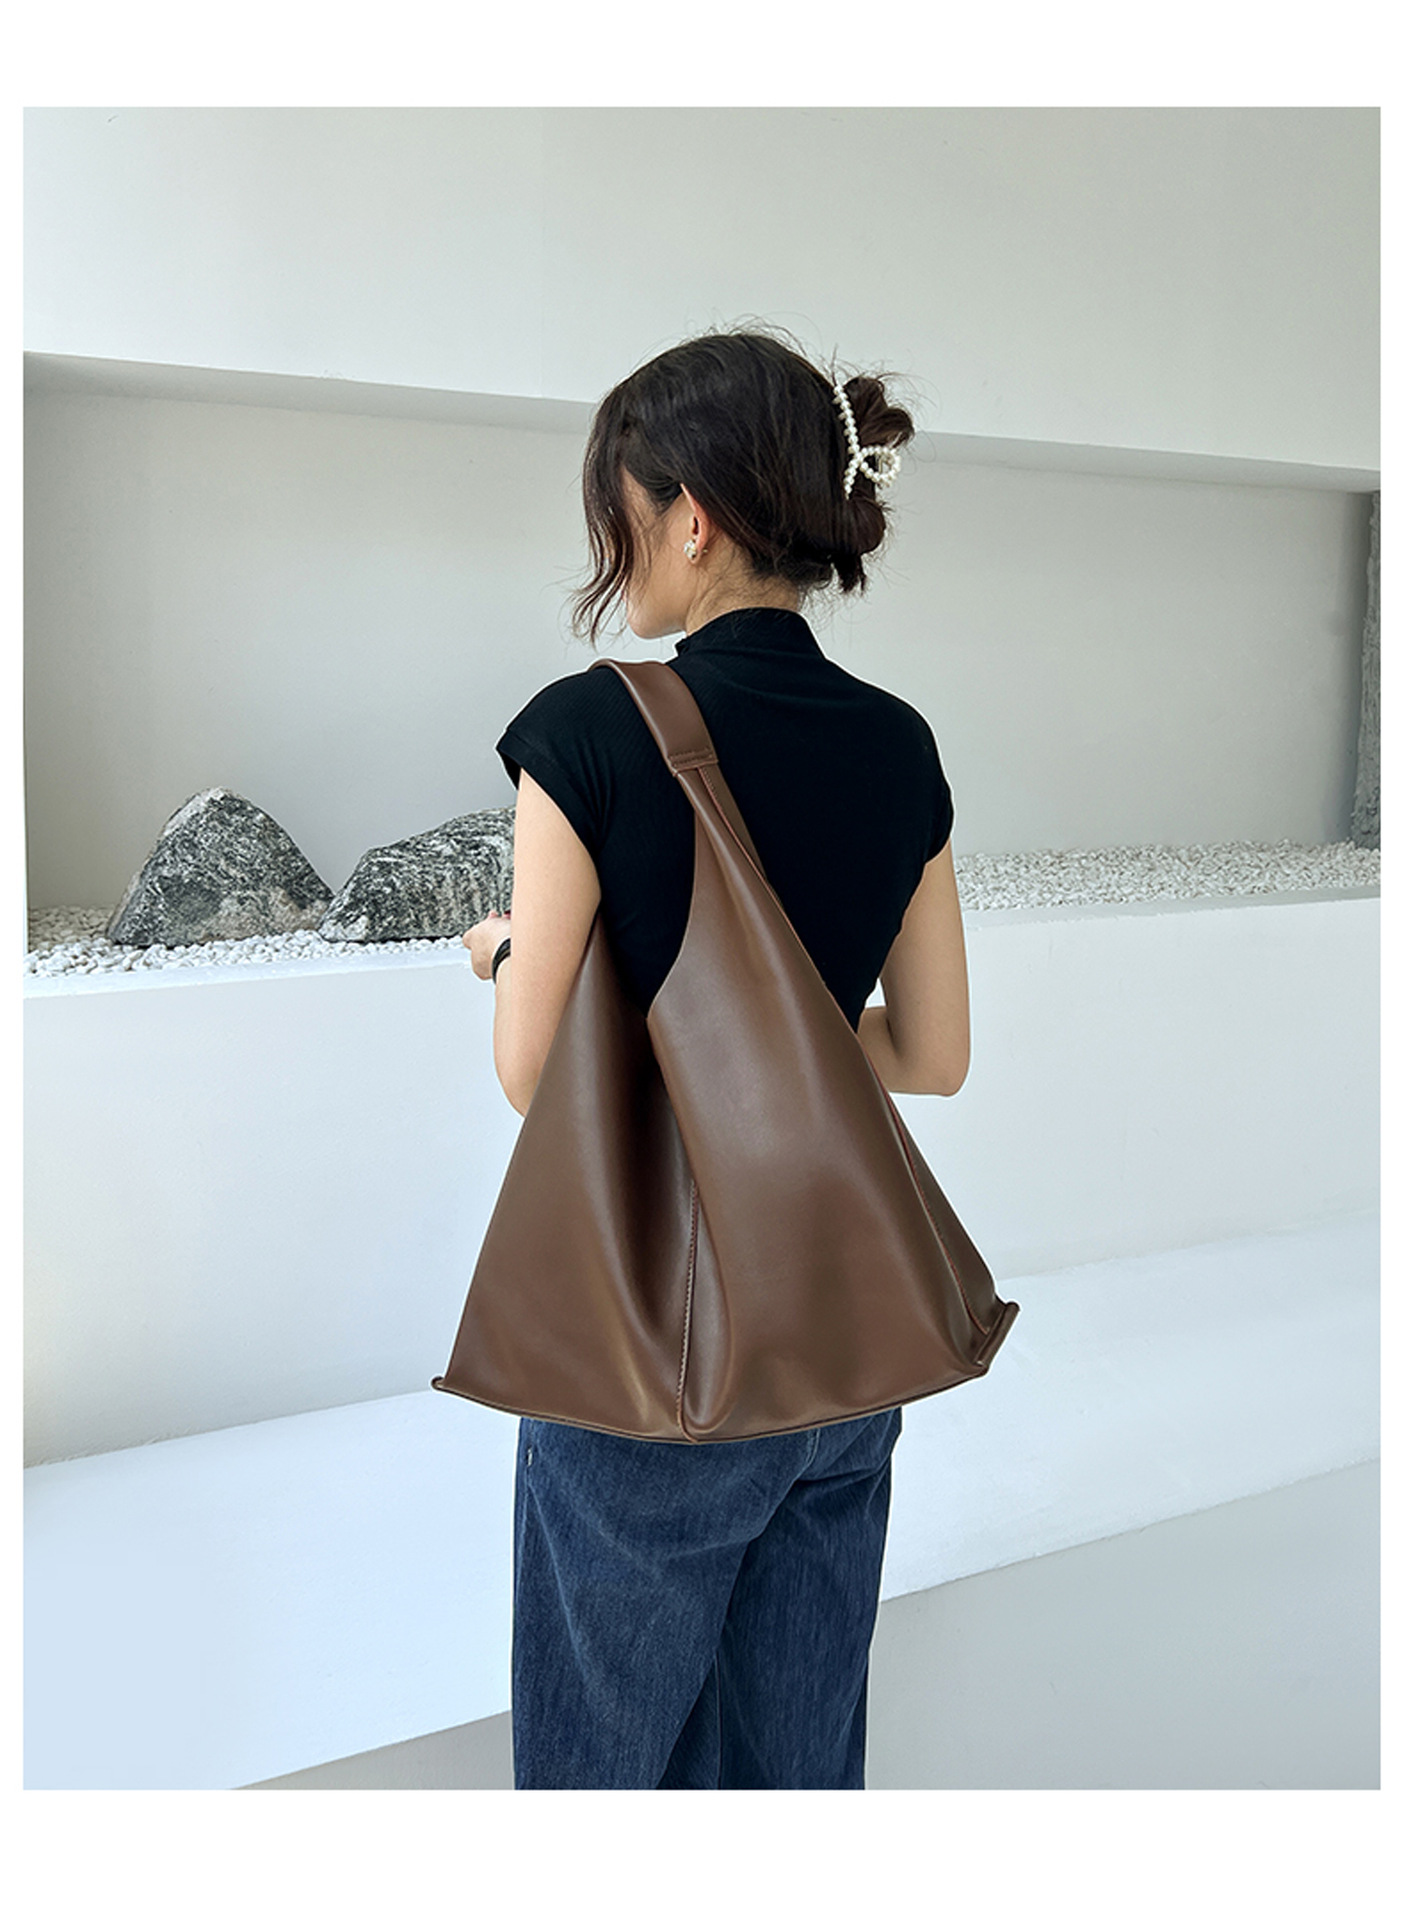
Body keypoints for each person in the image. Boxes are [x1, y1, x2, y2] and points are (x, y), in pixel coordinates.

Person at [460, 326, 971, 1790]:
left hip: (651, 1379)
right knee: (794, 1777)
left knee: (607, 1787)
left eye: (618, 512)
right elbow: (928, 1053)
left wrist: (504, 953)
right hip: (844, 1351)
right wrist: (780, 1033)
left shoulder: (592, 729)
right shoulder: (899, 745)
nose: (614, 552)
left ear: (690, 514)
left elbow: (534, 1075)